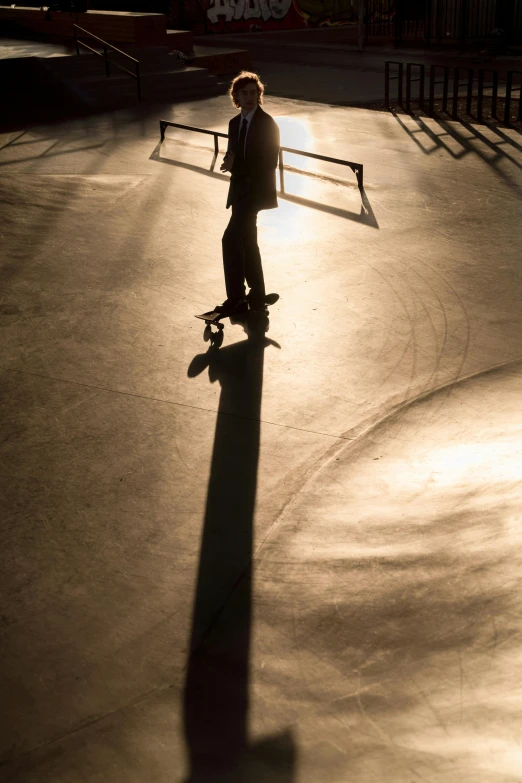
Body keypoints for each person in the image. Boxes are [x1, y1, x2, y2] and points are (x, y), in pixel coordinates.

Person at [216, 71, 280, 315]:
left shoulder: (267, 124)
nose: (250, 97)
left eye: (254, 92)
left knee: (230, 240)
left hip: (255, 191)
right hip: (239, 190)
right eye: (245, 93)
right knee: (247, 242)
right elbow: (236, 154)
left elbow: (267, 163)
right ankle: (257, 293)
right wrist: (229, 161)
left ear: (259, 95)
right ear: (236, 97)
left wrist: (237, 167)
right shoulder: (234, 123)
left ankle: (236, 297)